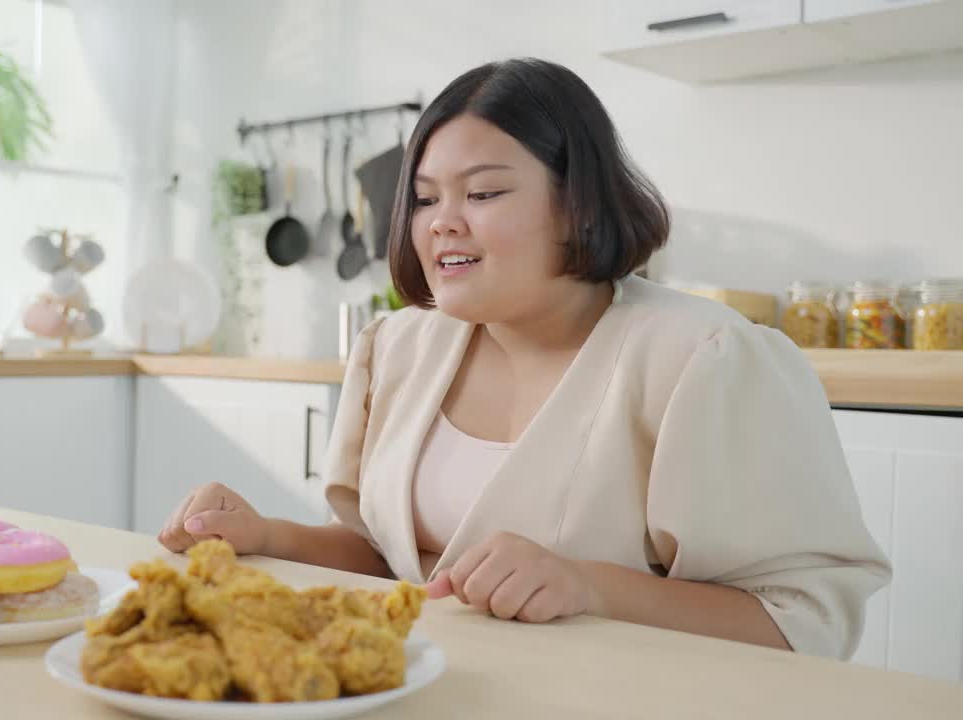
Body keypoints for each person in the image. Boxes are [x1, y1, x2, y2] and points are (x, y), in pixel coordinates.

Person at [159, 57, 890, 659]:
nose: (443, 220)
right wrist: (265, 536)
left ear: (579, 206)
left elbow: (804, 620)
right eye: (422, 199)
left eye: (483, 192)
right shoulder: (399, 348)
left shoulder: (705, 358)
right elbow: (399, 563)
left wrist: (589, 587)